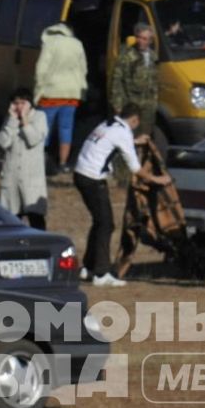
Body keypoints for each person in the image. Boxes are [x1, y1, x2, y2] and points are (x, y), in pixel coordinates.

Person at [75, 108, 143, 287]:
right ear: (135, 120)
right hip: (93, 178)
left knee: (99, 222)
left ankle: (88, 268)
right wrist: (159, 179)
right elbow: (135, 168)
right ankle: (101, 273)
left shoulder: (107, 124)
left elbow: (113, 142)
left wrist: (134, 141)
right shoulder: (122, 132)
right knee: (106, 224)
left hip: (80, 173)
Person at [113, 130, 180, 280]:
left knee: (141, 230)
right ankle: (119, 269)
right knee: (137, 230)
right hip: (145, 190)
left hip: (148, 190)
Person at [34, 20, 87, 176]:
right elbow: (83, 69)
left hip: (51, 93)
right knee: (66, 128)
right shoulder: (77, 44)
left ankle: (41, 160)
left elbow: (40, 69)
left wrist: (37, 91)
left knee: (44, 128)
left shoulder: (49, 44)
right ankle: (63, 163)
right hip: (71, 94)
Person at [0, 90, 49, 228]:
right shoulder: (10, 119)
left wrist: (24, 120)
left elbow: (34, 139)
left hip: (31, 176)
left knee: (35, 217)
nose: (19, 106)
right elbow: (3, 142)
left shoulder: (39, 117)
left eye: (22, 103)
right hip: (11, 175)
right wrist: (12, 122)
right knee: (11, 218)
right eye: (15, 103)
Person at [107, 24, 158, 136]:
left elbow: (154, 81)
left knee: (145, 136)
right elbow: (117, 80)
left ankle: (141, 153)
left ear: (150, 40)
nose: (141, 41)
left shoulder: (153, 56)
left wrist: (154, 100)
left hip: (148, 106)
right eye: (139, 37)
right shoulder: (127, 55)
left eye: (144, 39)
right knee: (130, 136)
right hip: (131, 104)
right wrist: (117, 104)